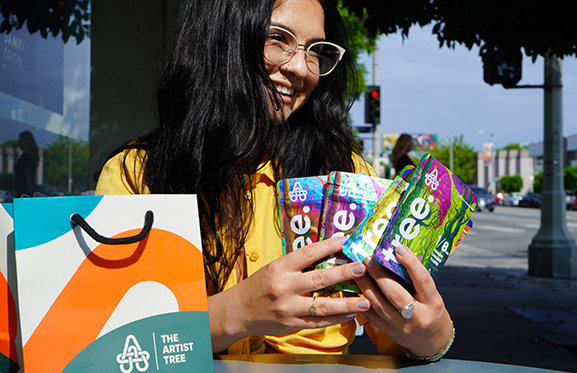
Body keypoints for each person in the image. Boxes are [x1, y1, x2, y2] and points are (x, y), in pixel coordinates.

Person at [96, 0, 454, 360]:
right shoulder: (137, 174)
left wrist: (431, 335)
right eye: (277, 38)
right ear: (222, 38)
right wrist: (234, 313)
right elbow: (115, 345)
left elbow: (396, 332)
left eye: (316, 51)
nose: (300, 67)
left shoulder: (349, 177)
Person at [14, 130, 39, 197]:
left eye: (20, 140)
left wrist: (31, 196)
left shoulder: (26, 158)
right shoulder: (26, 157)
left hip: (23, 194)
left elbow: (29, 178)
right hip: (22, 192)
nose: (18, 142)